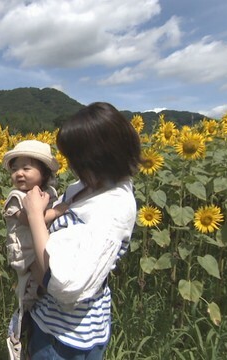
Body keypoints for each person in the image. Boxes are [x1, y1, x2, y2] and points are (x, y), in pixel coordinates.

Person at [22, 102, 142, 359]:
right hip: (48, 318)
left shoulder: (113, 210)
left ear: (99, 158)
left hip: (68, 337)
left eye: (76, 160)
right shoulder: (87, 185)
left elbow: (65, 284)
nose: (72, 166)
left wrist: (34, 216)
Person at [1, 140, 68, 360]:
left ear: (44, 172)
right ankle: (18, 338)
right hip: (26, 255)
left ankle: (33, 334)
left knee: (42, 295)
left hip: (43, 249)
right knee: (30, 298)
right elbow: (31, 219)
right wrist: (57, 212)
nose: (19, 173)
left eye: (26, 168)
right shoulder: (15, 197)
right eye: (15, 168)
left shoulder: (49, 191)